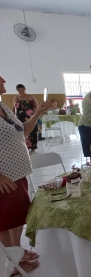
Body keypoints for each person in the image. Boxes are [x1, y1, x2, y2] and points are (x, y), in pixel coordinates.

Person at [0, 75, 51, 275]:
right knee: (4, 221)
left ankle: (16, 254)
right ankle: (11, 265)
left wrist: (37, 112)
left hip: (18, 173)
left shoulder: (3, 106)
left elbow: (21, 131)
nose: (3, 80)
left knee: (15, 217)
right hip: (4, 178)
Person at [13, 84, 39, 155]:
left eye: (22, 89)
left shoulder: (30, 96)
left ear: (25, 89)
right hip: (19, 118)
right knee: (22, 132)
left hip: (30, 118)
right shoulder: (16, 98)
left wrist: (36, 116)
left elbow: (37, 107)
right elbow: (13, 108)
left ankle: (33, 149)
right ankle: (24, 148)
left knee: (32, 132)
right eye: (19, 90)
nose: (20, 91)